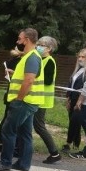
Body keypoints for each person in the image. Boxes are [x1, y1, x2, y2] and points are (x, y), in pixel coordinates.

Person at [0, 28, 44, 171]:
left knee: (8, 130)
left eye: (19, 39)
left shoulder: (31, 57)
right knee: (25, 133)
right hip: (30, 101)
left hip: (24, 102)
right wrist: (14, 73)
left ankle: (5, 162)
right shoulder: (30, 56)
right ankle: (23, 164)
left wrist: (19, 98)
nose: (17, 41)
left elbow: (29, 80)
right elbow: (27, 76)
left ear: (26, 40)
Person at [32, 36, 62, 164]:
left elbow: (48, 81)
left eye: (42, 45)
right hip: (36, 97)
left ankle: (54, 153)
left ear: (49, 48)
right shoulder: (40, 59)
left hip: (42, 99)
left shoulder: (49, 61)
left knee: (39, 126)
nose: (38, 46)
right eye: (38, 43)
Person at [62, 49, 86, 152]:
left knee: (75, 121)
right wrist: (67, 98)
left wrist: (80, 101)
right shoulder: (77, 70)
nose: (80, 59)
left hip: (80, 100)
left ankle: (69, 143)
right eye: (79, 57)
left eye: (83, 57)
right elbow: (71, 84)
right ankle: (75, 144)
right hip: (72, 99)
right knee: (72, 122)